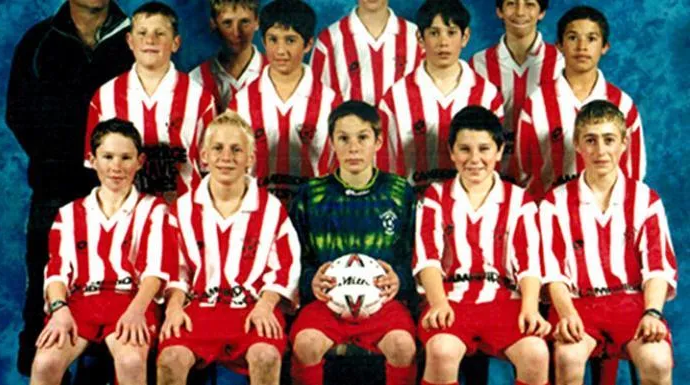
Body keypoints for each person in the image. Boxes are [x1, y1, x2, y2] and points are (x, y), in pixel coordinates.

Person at [6, 0, 135, 375]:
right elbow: (17, 112)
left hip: (118, 190)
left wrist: (112, 168)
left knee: (120, 287)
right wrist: (58, 160)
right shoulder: (39, 40)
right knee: (46, 286)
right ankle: (41, 374)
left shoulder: (134, 36)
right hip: (56, 187)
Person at [156, 110, 302, 385]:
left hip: (252, 306)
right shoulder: (183, 209)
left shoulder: (270, 209)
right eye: (218, 148)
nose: (226, 157)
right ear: (204, 156)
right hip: (199, 307)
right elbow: (175, 268)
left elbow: (286, 266)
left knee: (265, 356)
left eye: (236, 150)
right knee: (170, 359)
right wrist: (175, 307)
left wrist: (266, 305)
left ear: (250, 158)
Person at [540, 100, 677, 385]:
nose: (600, 151)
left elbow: (657, 269)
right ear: (577, 144)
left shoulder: (645, 200)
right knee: (568, 358)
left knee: (658, 361)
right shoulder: (555, 202)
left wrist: (652, 312)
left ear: (624, 143)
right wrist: (566, 314)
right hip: (578, 303)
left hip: (630, 303)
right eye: (591, 140)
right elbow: (553, 272)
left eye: (609, 140)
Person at [414, 106, 550, 385]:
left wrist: (530, 307)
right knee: (441, 351)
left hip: (503, 300)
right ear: (451, 152)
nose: (474, 159)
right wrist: (438, 303)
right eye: (464, 149)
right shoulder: (436, 196)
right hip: (450, 297)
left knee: (536, 353)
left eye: (484, 149)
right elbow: (427, 258)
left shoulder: (518, 200)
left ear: (499, 151)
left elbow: (528, 263)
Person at [29, 118, 170, 385]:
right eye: (107, 157)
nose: (116, 167)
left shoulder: (154, 210)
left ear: (139, 161)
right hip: (79, 303)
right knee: (45, 363)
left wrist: (136, 310)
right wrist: (59, 311)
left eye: (125, 157)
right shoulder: (69, 214)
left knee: (131, 360)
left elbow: (156, 270)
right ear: (92, 159)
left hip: (131, 301)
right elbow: (57, 272)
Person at [289, 101, 417, 385]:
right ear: (332, 142)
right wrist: (311, 281)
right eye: (343, 138)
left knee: (402, 345)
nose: (353, 148)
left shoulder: (400, 193)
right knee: (306, 343)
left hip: (384, 305)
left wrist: (400, 280)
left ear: (379, 141)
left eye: (362, 137)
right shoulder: (311, 195)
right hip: (326, 305)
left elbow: (415, 257)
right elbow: (293, 260)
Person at [86, 1, 216, 201]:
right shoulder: (104, 97)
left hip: (184, 214)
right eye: (142, 33)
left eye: (160, 33)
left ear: (175, 43)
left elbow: (210, 168)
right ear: (130, 41)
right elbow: (95, 164)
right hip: (125, 215)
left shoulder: (200, 98)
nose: (150, 40)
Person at [515, 5, 645, 201]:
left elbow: (633, 171)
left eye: (591, 39)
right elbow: (522, 171)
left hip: (607, 217)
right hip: (549, 216)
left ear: (604, 47)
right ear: (559, 45)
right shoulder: (536, 104)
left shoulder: (623, 105)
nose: (582, 47)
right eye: (573, 37)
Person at [378, 0, 504, 191]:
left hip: (468, 207)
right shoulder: (395, 97)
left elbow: (494, 162)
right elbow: (384, 164)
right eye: (434, 33)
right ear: (420, 38)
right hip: (414, 206)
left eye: (451, 32)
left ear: (465, 36)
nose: (443, 42)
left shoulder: (487, 95)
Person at [229, 0, 341, 203]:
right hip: (256, 214)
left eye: (290, 40)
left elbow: (340, 168)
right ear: (263, 41)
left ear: (308, 44)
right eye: (273, 39)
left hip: (314, 214)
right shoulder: (241, 102)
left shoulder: (330, 102)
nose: (280, 51)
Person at [469, 0, 563, 178]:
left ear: (541, 12)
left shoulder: (560, 63)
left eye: (529, 4)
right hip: (490, 176)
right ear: (499, 11)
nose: (520, 12)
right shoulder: (478, 64)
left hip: (544, 176)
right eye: (512, 3)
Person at [310, 0, 422, 106]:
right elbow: (315, 98)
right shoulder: (329, 39)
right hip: (349, 125)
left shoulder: (417, 38)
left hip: (404, 126)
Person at [189, 0, 267, 112]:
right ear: (213, 23)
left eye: (244, 22)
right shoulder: (196, 79)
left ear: (257, 22)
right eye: (227, 23)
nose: (237, 33)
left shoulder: (278, 73)